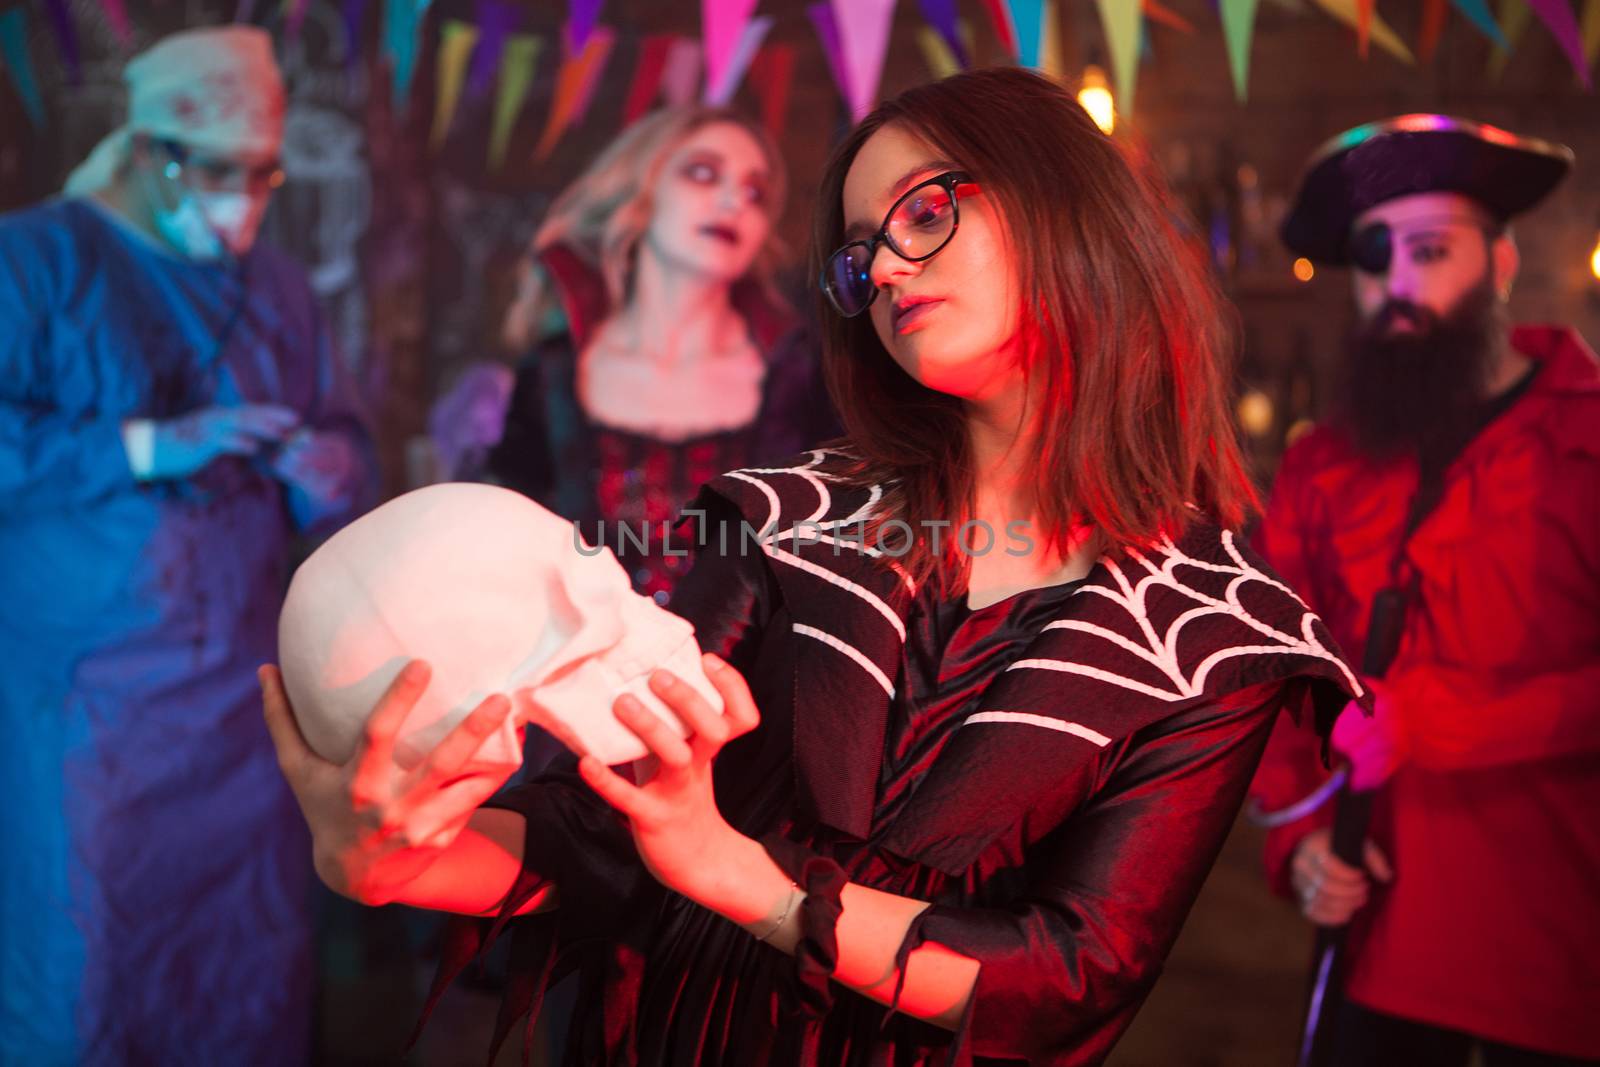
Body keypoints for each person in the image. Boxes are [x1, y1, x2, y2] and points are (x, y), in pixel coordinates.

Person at [261, 68, 1365, 1066]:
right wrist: (396, 866)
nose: (881, 265)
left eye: (925, 212)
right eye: (858, 253)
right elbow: (602, 827)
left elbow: (1076, 973)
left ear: (1065, 204)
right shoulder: (786, 518)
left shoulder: (1217, 632)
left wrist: (736, 872)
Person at [0, 27, 374, 1065]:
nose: (246, 204)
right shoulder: (32, 262)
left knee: (244, 974)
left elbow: (348, 444)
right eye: (223, 177)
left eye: (264, 177)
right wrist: (146, 443)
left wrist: (323, 468)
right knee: (86, 969)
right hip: (82, 702)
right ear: (154, 153)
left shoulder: (281, 289)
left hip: (239, 704)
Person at [1250, 114, 1600, 1066]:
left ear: (1501, 260)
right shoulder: (1322, 465)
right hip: (1379, 955)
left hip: (1565, 958)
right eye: (1374, 260)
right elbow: (1279, 676)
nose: (1398, 286)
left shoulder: (1588, 436)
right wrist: (1302, 842)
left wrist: (1444, 720)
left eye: (1432, 250)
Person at [488, 105, 835, 606]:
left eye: (755, 193)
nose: (734, 200)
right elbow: (508, 559)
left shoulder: (801, 376)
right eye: (703, 173)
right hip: (583, 674)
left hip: (751, 680)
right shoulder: (552, 375)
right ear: (642, 192)